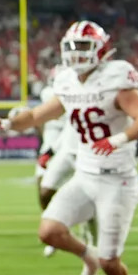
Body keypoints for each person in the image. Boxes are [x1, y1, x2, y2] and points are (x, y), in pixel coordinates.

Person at [0, 21, 138, 275]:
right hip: (84, 175)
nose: (76, 53)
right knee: (49, 232)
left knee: (111, 261)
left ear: (102, 49)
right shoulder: (67, 81)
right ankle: (88, 256)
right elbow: (36, 116)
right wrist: (11, 123)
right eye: (72, 46)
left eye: (83, 46)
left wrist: (117, 139)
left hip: (116, 179)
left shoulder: (115, 77)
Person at [36, 66, 95, 258]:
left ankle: (92, 241)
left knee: (90, 200)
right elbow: (67, 127)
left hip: (86, 154)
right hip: (66, 151)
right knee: (45, 190)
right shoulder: (65, 95)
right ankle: (57, 231)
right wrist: (50, 151)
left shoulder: (93, 94)